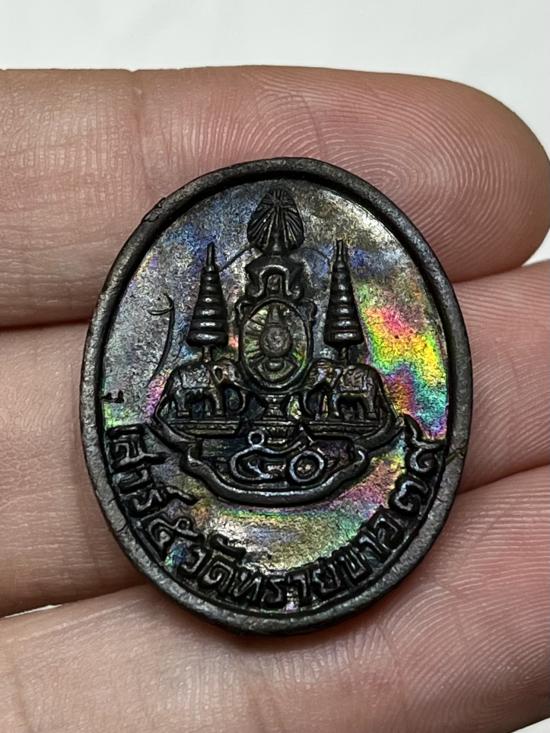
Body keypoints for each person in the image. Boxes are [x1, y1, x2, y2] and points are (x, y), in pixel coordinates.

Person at [0, 67, 548, 732]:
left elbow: (376, 424)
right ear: (242, 315)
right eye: (262, 311)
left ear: (311, 317)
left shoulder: (339, 376)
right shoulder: (211, 375)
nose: (277, 336)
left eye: (291, 313)